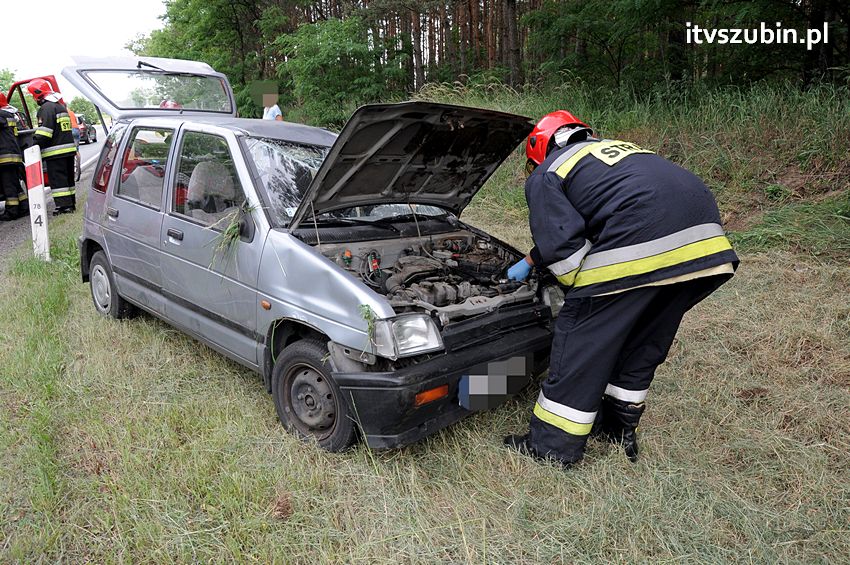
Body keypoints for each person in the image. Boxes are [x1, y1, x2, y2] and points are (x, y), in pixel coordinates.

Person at [503, 110, 739, 468]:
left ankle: (551, 448)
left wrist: (578, 296)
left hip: (645, 238)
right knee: (642, 339)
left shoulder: (547, 172)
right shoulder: (608, 152)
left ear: (540, 150)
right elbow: (601, 213)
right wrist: (530, 262)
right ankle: (616, 429)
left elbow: (562, 246)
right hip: (705, 243)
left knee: (581, 336)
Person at [27, 79, 77, 215]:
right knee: (68, 179)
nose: (33, 98)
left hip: (55, 152)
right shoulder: (60, 106)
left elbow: (45, 132)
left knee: (58, 180)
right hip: (67, 150)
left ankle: (64, 207)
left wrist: (33, 144)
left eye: (33, 95)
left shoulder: (46, 108)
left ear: (38, 94)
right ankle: (70, 204)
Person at [0, 97, 26, 220]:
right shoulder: (9, 114)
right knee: (15, 183)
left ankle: (11, 212)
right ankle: (24, 206)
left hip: (5, 157)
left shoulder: (0, 115)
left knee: (8, 185)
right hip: (14, 154)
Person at [68, 108, 81, 181]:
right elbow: (75, 122)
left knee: (69, 150)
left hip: (70, 130)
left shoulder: (62, 112)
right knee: (77, 150)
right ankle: (79, 166)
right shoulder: (71, 112)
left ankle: (73, 168)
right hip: (76, 129)